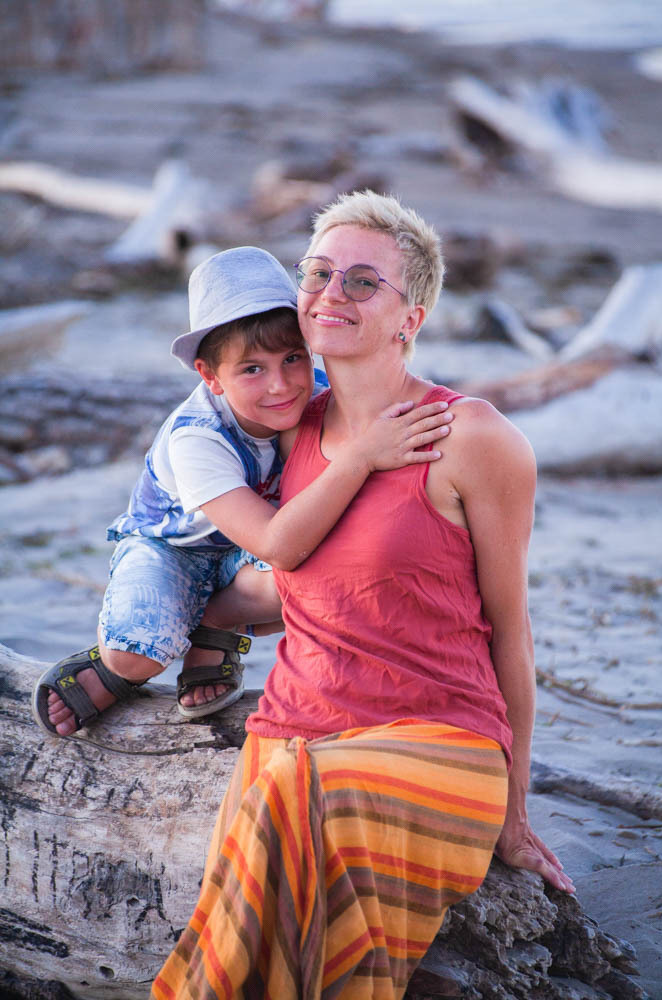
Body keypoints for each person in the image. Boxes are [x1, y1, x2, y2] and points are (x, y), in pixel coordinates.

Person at [151, 191, 575, 1000]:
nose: (329, 294)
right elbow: (286, 575)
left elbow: (510, 632)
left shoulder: (472, 437)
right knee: (285, 789)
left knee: (298, 795)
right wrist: (163, 636)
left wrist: (514, 813)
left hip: (437, 740)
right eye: (317, 274)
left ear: (410, 319)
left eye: (360, 281)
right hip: (292, 730)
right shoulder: (283, 430)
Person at [32, 245, 452, 738]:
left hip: (252, 553)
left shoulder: (321, 394)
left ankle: (216, 625)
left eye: (292, 358)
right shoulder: (197, 438)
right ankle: (114, 669)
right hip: (176, 549)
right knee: (136, 655)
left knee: (342, 568)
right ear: (210, 376)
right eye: (252, 369)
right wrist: (362, 455)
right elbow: (277, 543)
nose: (280, 386)